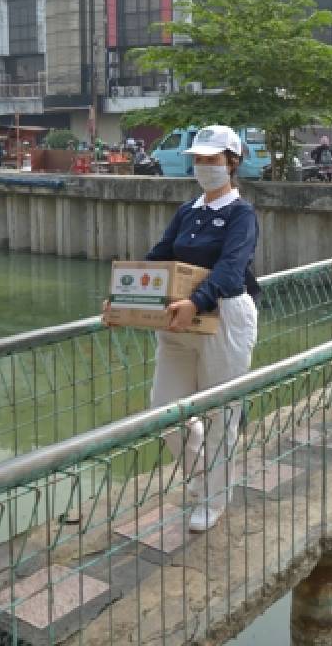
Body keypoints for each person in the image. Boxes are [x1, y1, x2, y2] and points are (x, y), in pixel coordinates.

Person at [102, 125, 260, 532]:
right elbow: (158, 258)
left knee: (222, 413)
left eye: (213, 160)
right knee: (164, 410)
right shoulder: (188, 212)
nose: (205, 167)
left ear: (232, 162)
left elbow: (231, 268)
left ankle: (214, 498)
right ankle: (202, 476)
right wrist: (122, 298)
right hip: (178, 321)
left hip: (223, 317)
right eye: (200, 160)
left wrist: (197, 300)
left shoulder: (241, 214)